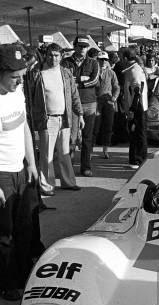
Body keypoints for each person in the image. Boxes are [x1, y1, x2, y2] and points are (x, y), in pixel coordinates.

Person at [0, 44, 40, 301]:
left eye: (21, 76)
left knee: (25, 228)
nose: (19, 81)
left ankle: (26, 274)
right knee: (4, 235)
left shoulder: (18, 93)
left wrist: (32, 163)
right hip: (2, 174)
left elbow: (24, 126)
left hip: (20, 169)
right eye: (14, 77)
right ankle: (6, 282)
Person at [30, 43, 84, 195]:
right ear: (46, 55)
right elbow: (31, 96)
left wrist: (79, 114)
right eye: (50, 55)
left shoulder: (65, 73)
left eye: (56, 55)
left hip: (65, 118)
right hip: (47, 119)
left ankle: (68, 182)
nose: (53, 58)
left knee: (65, 153)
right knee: (46, 154)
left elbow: (74, 95)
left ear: (61, 57)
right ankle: (47, 186)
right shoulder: (38, 73)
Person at [62, 37, 99, 176]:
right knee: (71, 138)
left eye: (85, 46)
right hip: (71, 104)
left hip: (89, 104)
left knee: (87, 138)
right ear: (75, 46)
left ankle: (86, 167)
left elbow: (95, 80)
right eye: (80, 46)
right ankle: (69, 168)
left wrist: (78, 83)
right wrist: (82, 79)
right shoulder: (66, 62)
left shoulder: (93, 63)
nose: (83, 49)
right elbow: (64, 79)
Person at [122, 47, 148, 170]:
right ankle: (134, 158)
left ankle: (139, 159)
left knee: (138, 133)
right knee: (134, 133)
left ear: (126, 58)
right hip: (136, 105)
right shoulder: (133, 69)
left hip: (138, 106)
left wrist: (132, 109)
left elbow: (138, 90)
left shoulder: (134, 71)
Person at [94, 51, 120, 159]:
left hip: (108, 101)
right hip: (96, 102)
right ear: (97, 60)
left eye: (105, 59)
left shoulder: (111, 73)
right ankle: (90, 150)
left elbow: (117, 87)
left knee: (108, 127)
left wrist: (114, 98)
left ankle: (105, 150)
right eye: (101, 59)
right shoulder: (94, 71)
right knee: (95, 127)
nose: (103, 61)